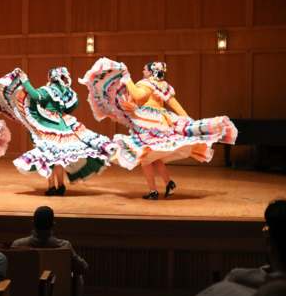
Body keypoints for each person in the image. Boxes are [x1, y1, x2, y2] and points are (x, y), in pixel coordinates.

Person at [80, 59, 237, 199]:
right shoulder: (164, 85)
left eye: (145, 69)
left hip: (149, 121)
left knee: (144, 155)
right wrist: (188, 119)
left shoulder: (147, 84)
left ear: (151, 71)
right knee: (152, 156)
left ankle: (153, 190)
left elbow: (139, 96)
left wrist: (127, 79)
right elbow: (174, 104)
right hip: (161, 120)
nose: (143, 71)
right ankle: (168, 183)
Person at [0, 66, 116, 195]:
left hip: (48, 126)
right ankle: (60, 186)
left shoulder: (49, 90)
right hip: (63, 124)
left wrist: (25, 81)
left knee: (49, 155)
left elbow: (36, 95)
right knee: (59, 157)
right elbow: (71, 107)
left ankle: (51, 186)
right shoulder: (68, 93)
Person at [11, 205, 88, 296]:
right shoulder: (64, 246)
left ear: (33, 223)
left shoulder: (17, 245)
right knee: (77, 276)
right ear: (53, 224)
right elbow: (83, 268)